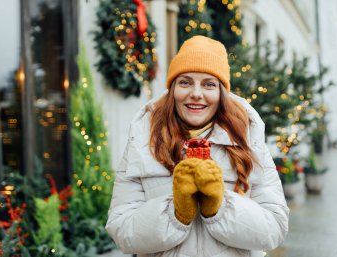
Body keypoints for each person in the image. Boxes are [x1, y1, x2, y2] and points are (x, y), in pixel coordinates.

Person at [106, 36, 289, 257]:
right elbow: (122, 230)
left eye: (208, 84)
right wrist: (176, 212)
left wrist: (219, 207)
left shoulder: (247, 138)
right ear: (173, 88)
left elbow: (275, 229)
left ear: (221, 92)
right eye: (185, 82)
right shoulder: (144, 138)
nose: (196, 93)